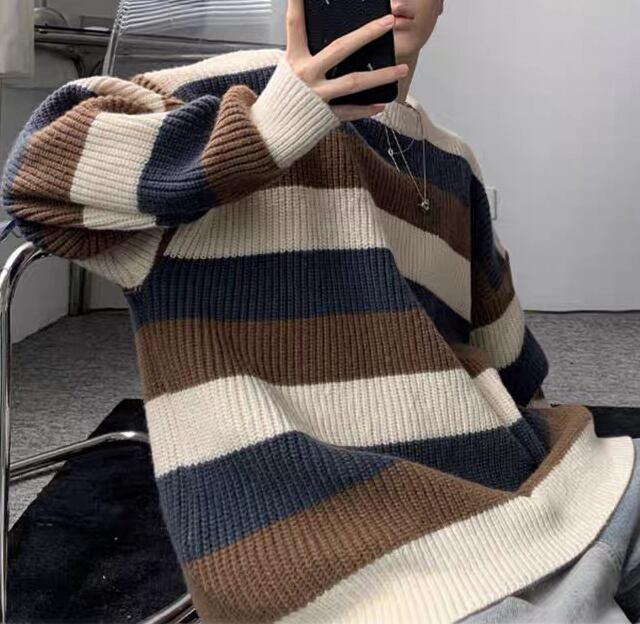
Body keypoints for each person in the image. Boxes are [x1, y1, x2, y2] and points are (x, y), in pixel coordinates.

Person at [1, 0, 638, 621]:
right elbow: (35, 176)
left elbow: (504, 344)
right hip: (319, 527)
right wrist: (274, 125)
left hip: (503, 471)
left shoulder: (451, 157)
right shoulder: (237, 90)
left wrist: (548, 452)